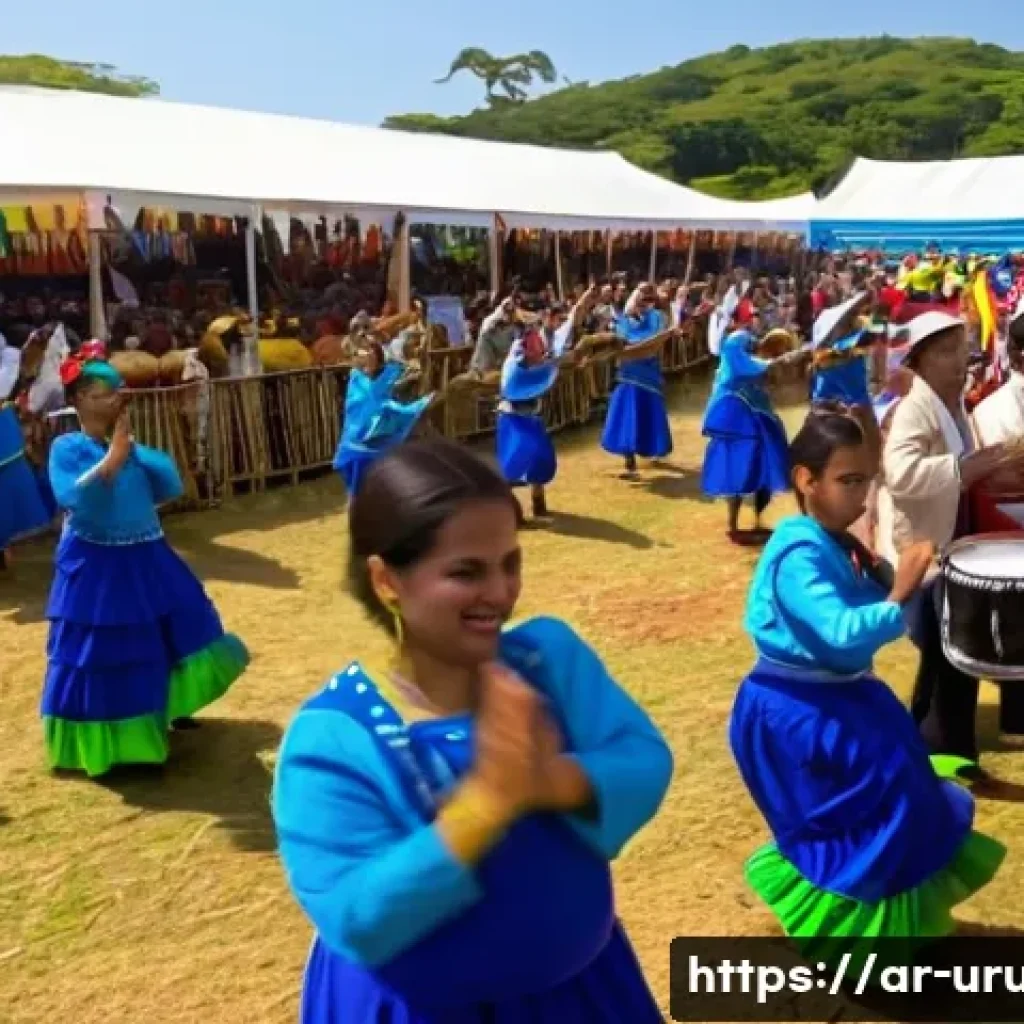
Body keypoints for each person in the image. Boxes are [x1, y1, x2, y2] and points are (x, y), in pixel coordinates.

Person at [272, 437, 672, 1023]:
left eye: (511, 563)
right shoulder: (333, 740)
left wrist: (552, 781)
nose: (501, 592)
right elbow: (356, 917)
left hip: (581, 996)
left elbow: (642, 759)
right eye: (466, 572)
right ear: (387, 581)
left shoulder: (548, 663)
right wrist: (484, 806)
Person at [731, 410, 1005, 974]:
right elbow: (839, 636)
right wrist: (900, 589)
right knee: (864, 820)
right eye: (849, 481)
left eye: (868, 479)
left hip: (841, 701)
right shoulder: (798, 556)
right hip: (799, 713)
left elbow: (883, 583)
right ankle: (861, 947)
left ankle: (894, 931)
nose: (863, 495)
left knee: (903, 799)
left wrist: (935, 572)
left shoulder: (836, 542)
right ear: (807, 481)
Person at [40, 349, 250, 777]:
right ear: (80, 399)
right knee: (108, 649)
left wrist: (129, 451)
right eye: (104, 394)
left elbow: (168, 486)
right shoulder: (67, 447)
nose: (116, 400)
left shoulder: (127, 447)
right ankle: (117, 740)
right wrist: (112, 460)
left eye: (118, 393)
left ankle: (171, 703)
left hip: (147, 552)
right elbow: (73, 498)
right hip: (97, 564)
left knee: (178, 628)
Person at [878, 312, 1024, 775]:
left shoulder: (951, 402)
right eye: (946, 352)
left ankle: (941, 744)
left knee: (951, 651)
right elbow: (901, 477)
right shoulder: (914, 409)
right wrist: (966, 468)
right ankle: (940, 748)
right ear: (919, 362)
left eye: (961, 350)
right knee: (944, 651)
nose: (960, 361)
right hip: (923, 546)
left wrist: (988, 469)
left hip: (950, 537)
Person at [700, 307, 799, 542]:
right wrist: (779, 361)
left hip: (756, 412)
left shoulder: (749, 344)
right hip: (734, 415)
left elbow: (767, 373)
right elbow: (749, 366)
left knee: (762, 463)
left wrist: (780, 360)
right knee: (737, 466)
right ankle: (733, 525)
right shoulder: (734, 345)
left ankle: (757, 520)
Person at [333, 341, 436, 497]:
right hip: (354, 445)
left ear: (379, 357)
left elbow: (409, 368)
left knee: (383, 490)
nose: (367, 356)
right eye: (364, 353)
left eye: (372, 354)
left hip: (381, 441)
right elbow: (355, 407)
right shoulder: (356, 379)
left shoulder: (390, 374)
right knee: (356, 493)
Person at [600, 283, 675, 476]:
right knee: (627, 416)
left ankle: (651, 451)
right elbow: (620, 346)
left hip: (649, 375)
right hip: (628, 375)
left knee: (648, 414)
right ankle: (629, 462)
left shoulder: (657, 318)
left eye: (648, 300)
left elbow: (658, 339)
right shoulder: (622, 322)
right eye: (640, 298)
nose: (643, 303)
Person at [495, 325, 570, 519]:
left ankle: (538, 506)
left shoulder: (535, 361)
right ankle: (512, 513)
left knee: (539, 459)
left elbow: (546, 363)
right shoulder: (516, 363)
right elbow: (533, 371)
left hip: (530, 417)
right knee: (514, 462)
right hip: (513, 419)